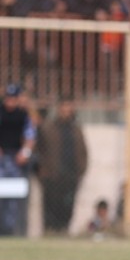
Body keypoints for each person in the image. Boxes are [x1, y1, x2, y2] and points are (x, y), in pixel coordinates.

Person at [34, 99, 89, 234]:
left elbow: (83, 152)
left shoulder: (76, 130)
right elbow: (38, 150)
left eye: (68, 107)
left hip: (71, 175)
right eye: (63, 107)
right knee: (51, 206)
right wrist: (42, 171)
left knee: (67, 207)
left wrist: (80, 171)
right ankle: (49, 232)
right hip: (52, 175)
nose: (66, 110)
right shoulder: (48, 128)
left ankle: (63, 231)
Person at [0, 84, 36, 236]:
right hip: (1, 159)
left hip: (16, 160)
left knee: (14, 198)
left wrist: (25, 153)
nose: (10, 101)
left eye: (13, 98)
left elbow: (30, 136)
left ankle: (12, 230)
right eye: (8, 98)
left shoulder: (23, 115)